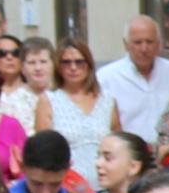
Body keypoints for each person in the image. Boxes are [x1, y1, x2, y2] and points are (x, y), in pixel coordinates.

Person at [26, 38, 112, 179]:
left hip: (105, 183)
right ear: (58, 66)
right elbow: (44, 149)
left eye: (79, 62)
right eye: (66, 62)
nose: (73, 67)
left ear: (89, 64)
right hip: (66, 184)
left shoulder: (107, 100)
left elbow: (117, 146)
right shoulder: (48, 100)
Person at [106, 12, 169, 143]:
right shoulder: (107, 77)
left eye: (149, 42)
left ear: (159, 44)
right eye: (137, 42)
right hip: (128, 155)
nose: (144, 48)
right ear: (125, 44)